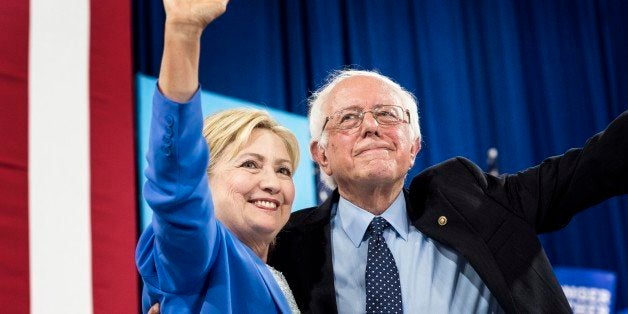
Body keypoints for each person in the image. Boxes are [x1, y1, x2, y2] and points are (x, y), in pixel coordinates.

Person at [267, 69, 628, 313]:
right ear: (321, 154)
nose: (372, 126)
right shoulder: (284, 245)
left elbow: (595, 166)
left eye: (389, 114)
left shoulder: (474, 200)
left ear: (414, 146)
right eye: (348, 117)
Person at [135, 0, 301, 313]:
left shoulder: (278, 276)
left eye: (284, 171)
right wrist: (183, 33)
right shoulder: (199, 253)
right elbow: (176, 181)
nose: (272, 183)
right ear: (203, 180)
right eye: (250, 164)